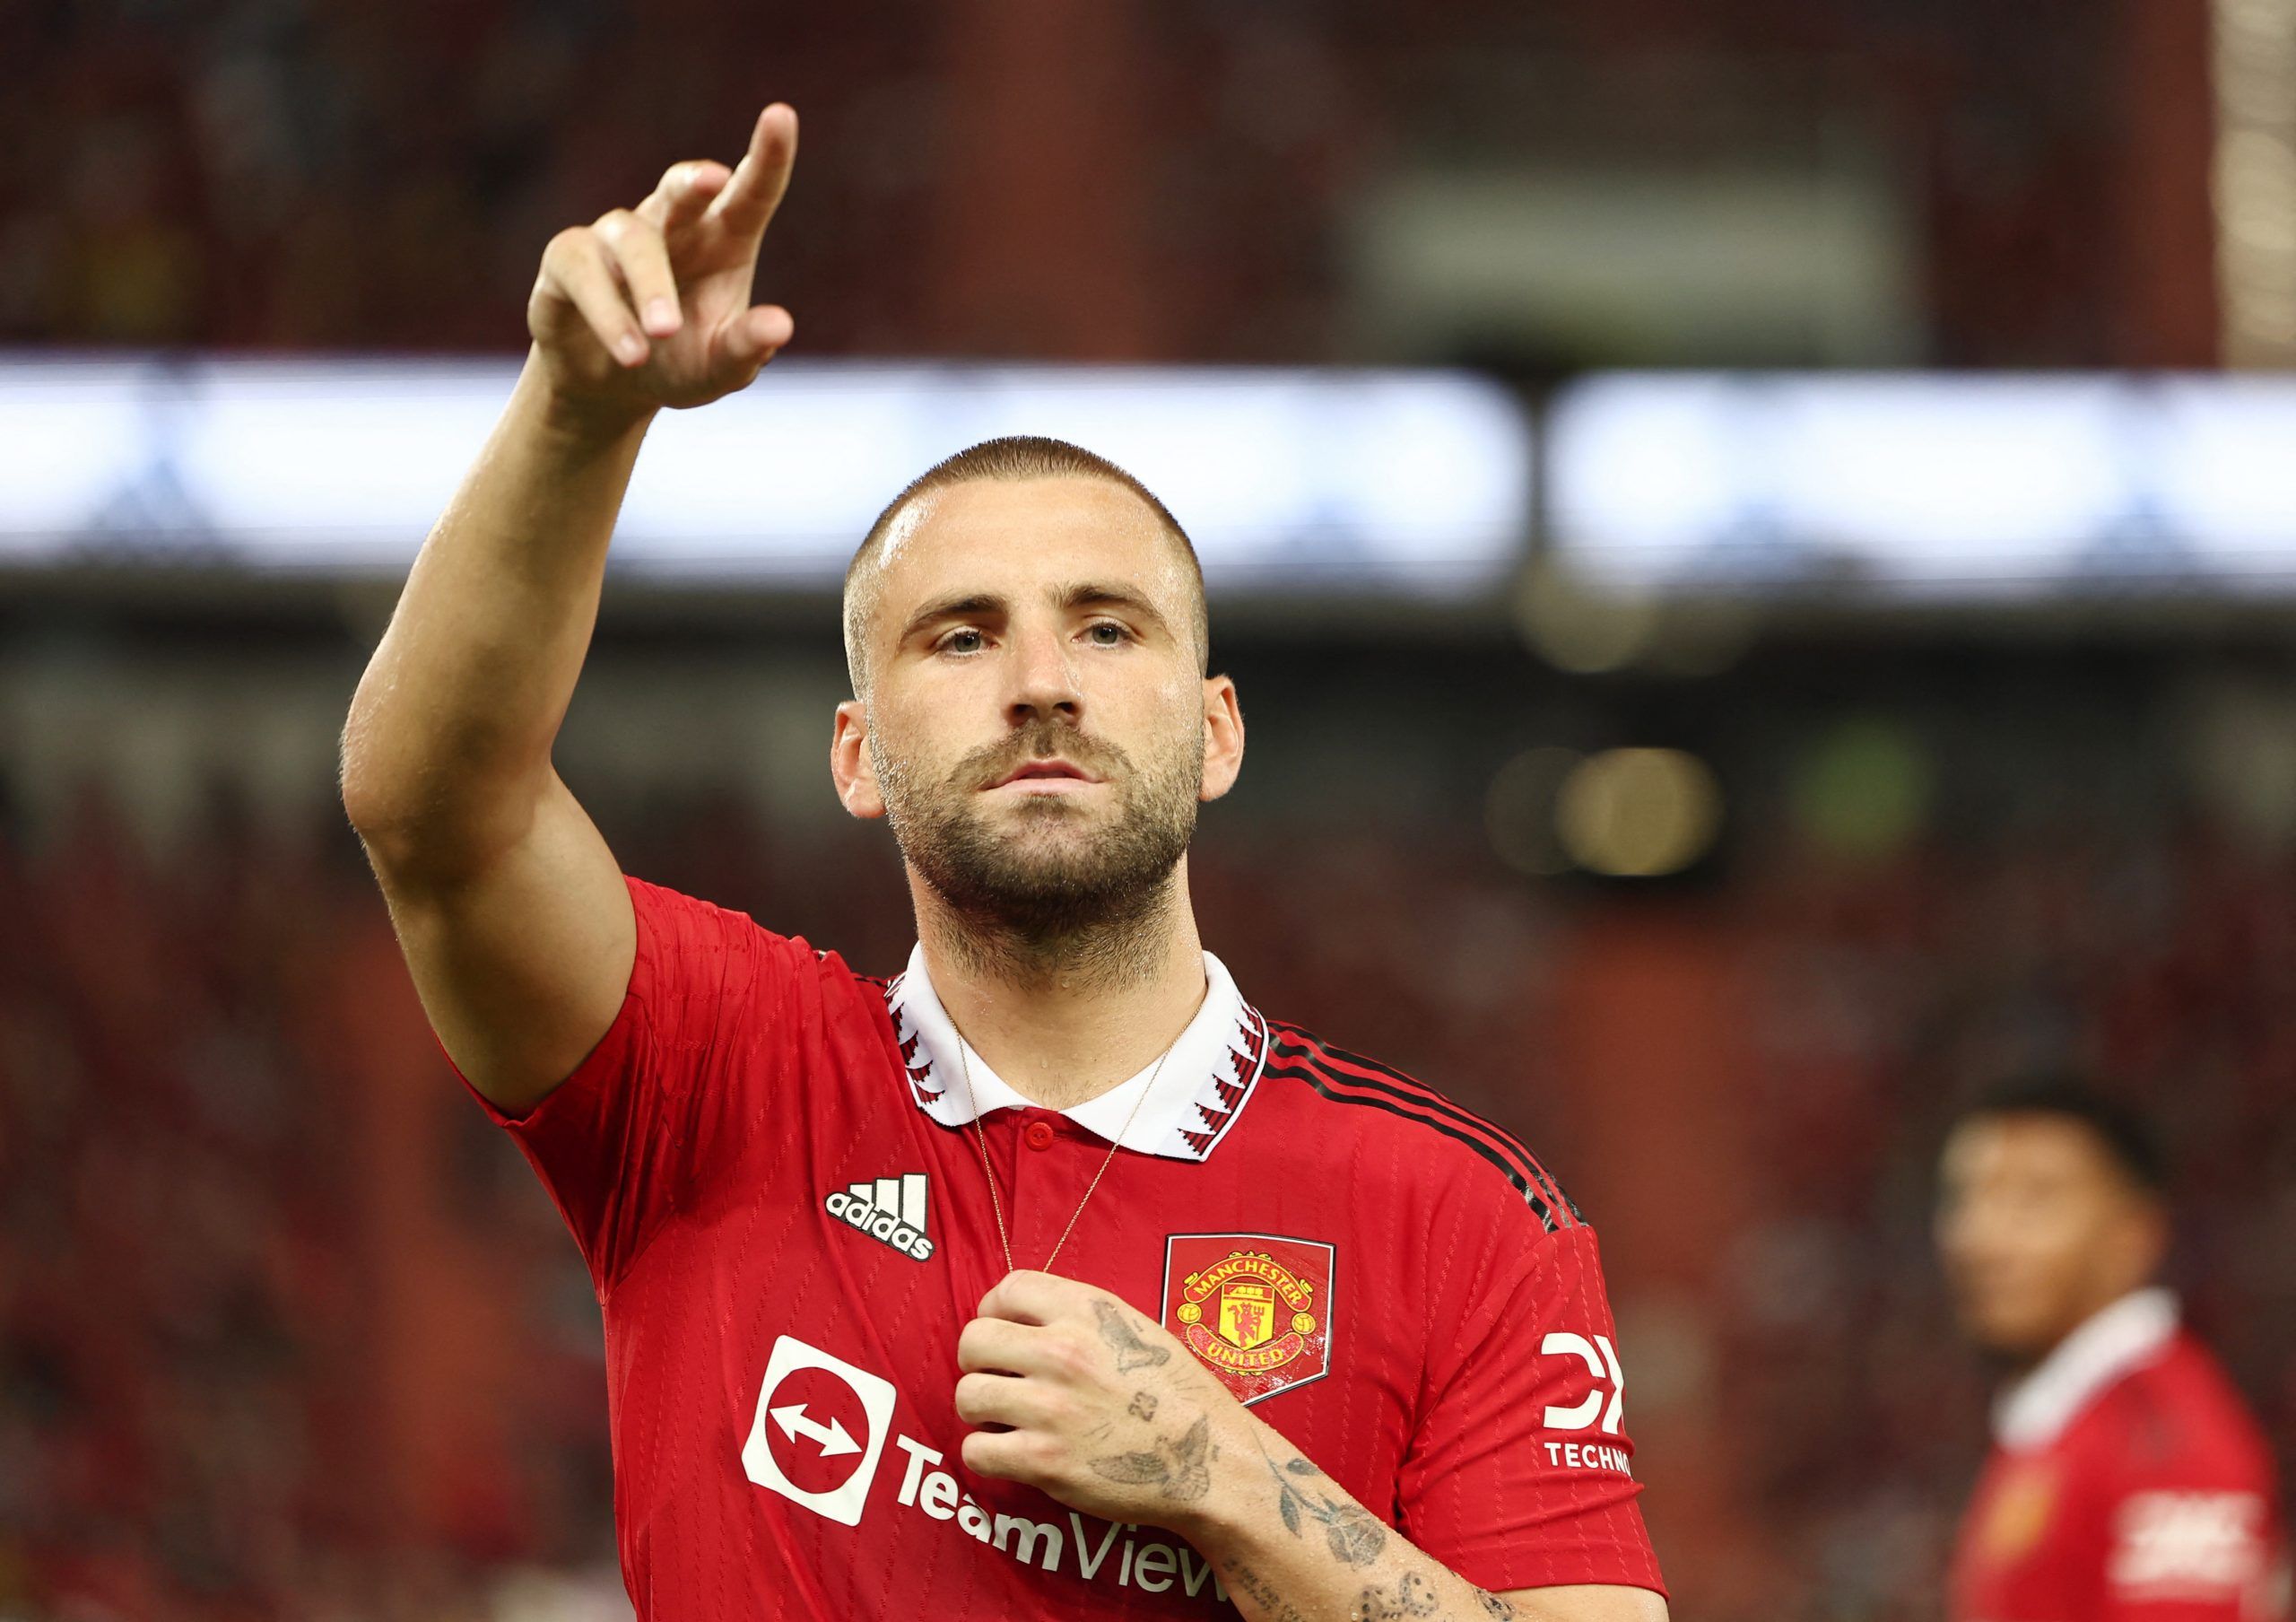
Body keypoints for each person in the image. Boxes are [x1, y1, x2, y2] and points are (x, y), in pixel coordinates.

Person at [340, 103, 1667, 1622]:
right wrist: (579, 415)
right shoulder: (714, 1075)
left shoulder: (1467, 1216)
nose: (1042, 678)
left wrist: (1229, 1479)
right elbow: (434, 811)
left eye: (1107, 625)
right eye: (960, 634)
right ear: (854, 752)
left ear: (1219, 730)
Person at [1936, 1077, 2288, 1622]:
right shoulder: (2068, 1428)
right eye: (1968, 1196)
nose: (1981, 1237)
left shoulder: (2164, 1442)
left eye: (2035, 1199)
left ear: (2134, 1235)